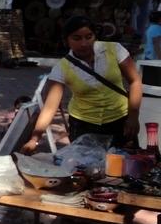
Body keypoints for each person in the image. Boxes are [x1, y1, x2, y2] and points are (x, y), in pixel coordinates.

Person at [21, 16, 143, 154]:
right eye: (77, 38)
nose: (84, 43)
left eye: (89, 37)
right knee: (86, 164)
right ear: (66, 41)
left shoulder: (114, 50)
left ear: (95, 36)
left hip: (120, 121)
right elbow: (50, 107)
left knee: (124, 162)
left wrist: (133, 116)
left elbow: (135, 81)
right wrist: (35, 139)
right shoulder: (62, 68)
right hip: (83, 126)